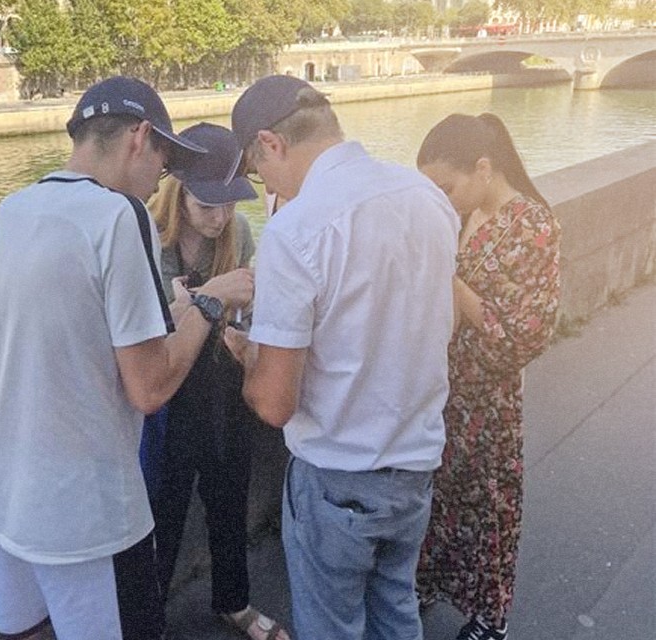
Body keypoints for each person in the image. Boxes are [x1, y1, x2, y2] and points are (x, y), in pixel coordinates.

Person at [0, 76, 254, 640]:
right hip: (86, 517)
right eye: (166, 160)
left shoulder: (13, 209)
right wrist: (209, 298)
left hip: (2, 500)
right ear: (139, 136)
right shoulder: (121, 216)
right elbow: (150, 388)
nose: (163, 178)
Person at [223, 75, 460, 640]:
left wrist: (246, 354)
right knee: (396, 611)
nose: (265, 189)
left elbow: (274, 403)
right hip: (416, 466)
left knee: (332, 626)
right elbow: (430, 324)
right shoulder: (426, 197)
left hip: (339, 479)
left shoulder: (295, 230)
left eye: (257, 173)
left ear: (270, 144)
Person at [414, 113, 561, 640]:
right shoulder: (459, 214)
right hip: (443, 385)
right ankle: (428, 582)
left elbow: (529, 332)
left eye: (446, 186)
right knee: (440, 498)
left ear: (483, 167)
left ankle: (490, 617)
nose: (441, 197)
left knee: (491, 510)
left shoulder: (533, 225)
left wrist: (454, 281)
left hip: (489, 397)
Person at [147, 122, 291, 640]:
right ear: (177, 194)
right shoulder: (146, 236)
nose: (221, 217)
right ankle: (149, 616)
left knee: (228, 496)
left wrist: (237, 318)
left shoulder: (239, 233)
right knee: (162, 510)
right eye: (208, 206)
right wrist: (211, 294)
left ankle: (233, 601)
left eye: (229, 203)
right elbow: (141, 327)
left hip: (221, 381)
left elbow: (245, 308)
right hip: (167, 390)